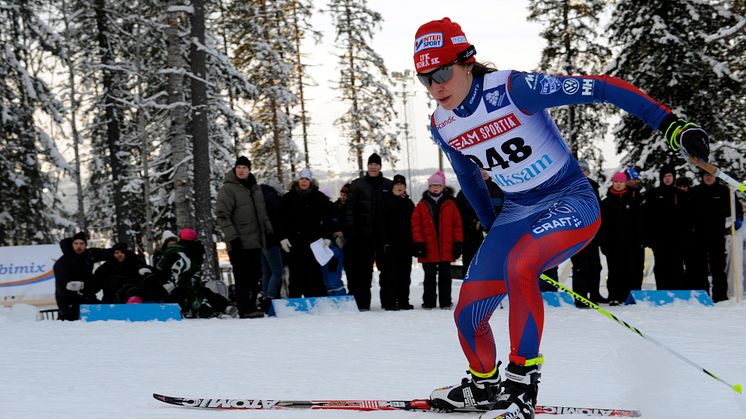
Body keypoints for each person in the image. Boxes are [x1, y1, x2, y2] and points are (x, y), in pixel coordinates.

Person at [413, 17, 711, 418]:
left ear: (467, 62)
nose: (435, 87)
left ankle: (522, 388)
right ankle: (485, 386)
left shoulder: (512, 89)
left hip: (570, 200)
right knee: (468, 312)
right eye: (424, 79)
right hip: (516, 211)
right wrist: (489, 223)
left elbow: (603, 87)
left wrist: (672, 125)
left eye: (442, 73)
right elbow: (467, 174)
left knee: (523, 262)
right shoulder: (442, 124)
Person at [215, 156, 272, 319]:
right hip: (238, 242)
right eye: (239, 167)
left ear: (249, 170)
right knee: (243, 277)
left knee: (256, 276)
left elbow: (262, 214)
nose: (241, 170)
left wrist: (269, 232)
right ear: (235, 169)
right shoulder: (229, 189)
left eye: (244, 168)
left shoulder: (254, 188)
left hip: (255, 242)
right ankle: (245, 308)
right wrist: (232, 237)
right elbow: (222, 215)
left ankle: (252, 305)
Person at [278, 168, 340, 297]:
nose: (304, 182)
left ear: (311, 181)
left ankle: (317, 302)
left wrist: (327, 237)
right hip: (295, 242)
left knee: (314, 275)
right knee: (296, 275)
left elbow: (329, 218)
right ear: (297, 181)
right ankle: (295, 304)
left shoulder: (319, 198)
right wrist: (282, 237)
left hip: (315, 243)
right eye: (301, 179)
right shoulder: (288, 198)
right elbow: (280, 220)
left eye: (307, 179)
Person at [344, 153, 393, 310]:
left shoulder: (388, 185)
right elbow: (349, 210)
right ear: (367, 166)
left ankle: (388, 302)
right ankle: (363, 303)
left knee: (386, 271)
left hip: (382, 236)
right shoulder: (357, 185)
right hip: (362, 236)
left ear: (380, 166)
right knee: (363, 272)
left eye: (376, 164)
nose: (373, 166)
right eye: (371, 164)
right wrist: (352, 232)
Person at [411, 171, 463, 309]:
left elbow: (457, 225)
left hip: (446, 248)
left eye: (438, 185)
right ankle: (429, 301)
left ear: (443, 187)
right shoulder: (422, 205)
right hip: (428, 248)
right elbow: (416, 226)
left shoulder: (450, 204)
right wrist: (419, 243)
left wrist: (458, 243)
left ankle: (445, 301)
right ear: (428, 187)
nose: (435, 188)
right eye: (432, 185)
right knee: (429, 277)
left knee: (445, 277)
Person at [689, 171, 743, 302]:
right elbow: (687, 212)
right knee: (700, 268)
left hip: (717, 235)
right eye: (705, 175)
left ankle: (720, 297)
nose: (708, 177)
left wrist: (737, 218)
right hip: (698, 236)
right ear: (702, 177)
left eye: (710, 175)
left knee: (718, 267)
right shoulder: (695, 191)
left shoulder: (725, 191)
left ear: (715, 177)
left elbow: (736, 208)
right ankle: (703, 296)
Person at [156, 228, 228, 318]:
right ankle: (224, 306)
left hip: (175, 286)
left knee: (185, 294)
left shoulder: (173, 253)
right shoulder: (196, 250)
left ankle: (198, 310)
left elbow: (160, 269)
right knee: (203, 292)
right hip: (191, 283)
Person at [598, 172, 646, 305]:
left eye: (621, 182)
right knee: (614, 271)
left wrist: (641, 240)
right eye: (616, 182)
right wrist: (603, 243)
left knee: (631, 270)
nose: (618, 184)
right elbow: (602, 226)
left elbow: (639, 222)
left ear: (625, 183)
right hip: (613, 244)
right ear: (613, 183)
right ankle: (614, 296)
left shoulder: (633, 200)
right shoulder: (606, 203)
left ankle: (630, 296)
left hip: (631, 244)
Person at [644, 164, 687, 290]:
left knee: (677, 265)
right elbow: (647, 217)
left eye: (670, 176)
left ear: (674, 177)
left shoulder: (680, 194)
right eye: (665, 176)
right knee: (661, 265)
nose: (667, 178)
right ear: (661, 178)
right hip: (659, 239)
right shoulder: (653, 194)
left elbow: (687, 217)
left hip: (677, 239)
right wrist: (649, 237)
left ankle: (677, 292)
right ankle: (662, 290)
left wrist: (685, 236)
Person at [569, 159, 604, 306]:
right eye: (580, 170)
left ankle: (594, 294)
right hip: (576, 233)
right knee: (580, 266)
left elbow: (599, 210)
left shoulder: (594, 187)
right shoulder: (569, 187)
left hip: (593, 233)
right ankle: (580, 297)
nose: (583, 173)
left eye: (585, 171)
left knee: (595, 266)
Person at [455, 168, 504, 275]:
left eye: (485, 169)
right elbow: (459, 212)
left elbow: (507, 209)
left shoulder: (499, 189)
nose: (483, 172)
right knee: (472, 267)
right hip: (472, 238)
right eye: (479, 170)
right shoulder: (466, 190)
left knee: (496, 267)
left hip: (495, 236)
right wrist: (474, 223)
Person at [53, 232, 111, 320]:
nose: (78, 246)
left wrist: (121, 252)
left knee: (105, 314)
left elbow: (109, 253)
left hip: (87, 297)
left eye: (81, 243)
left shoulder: (88, 255)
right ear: (72, 245)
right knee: (74, 321)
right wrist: (82, 294)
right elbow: (62, 288)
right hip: (68, 301)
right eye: (76, 244)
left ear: (85, 245)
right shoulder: (62, 263)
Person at [380, 174, 416, 310]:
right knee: (390, 275)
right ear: (393, 187)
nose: (399, 187)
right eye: (397, 185)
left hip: (405, 245)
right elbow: (381, 223)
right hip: (390, 245)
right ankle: (390, 301)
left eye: (402, 185)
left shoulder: (408, 203)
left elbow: (414, 224)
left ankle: (403, 301)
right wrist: (385, 241)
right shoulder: (386, 201)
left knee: (405, 275)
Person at [259, 178, 285, 308]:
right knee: (277, 271)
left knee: (267, 271)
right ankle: (270, 297)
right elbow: (277, 220)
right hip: (271, 239)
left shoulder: (259, 196)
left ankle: (265, 295)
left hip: (261, 239)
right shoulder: (272, 198)